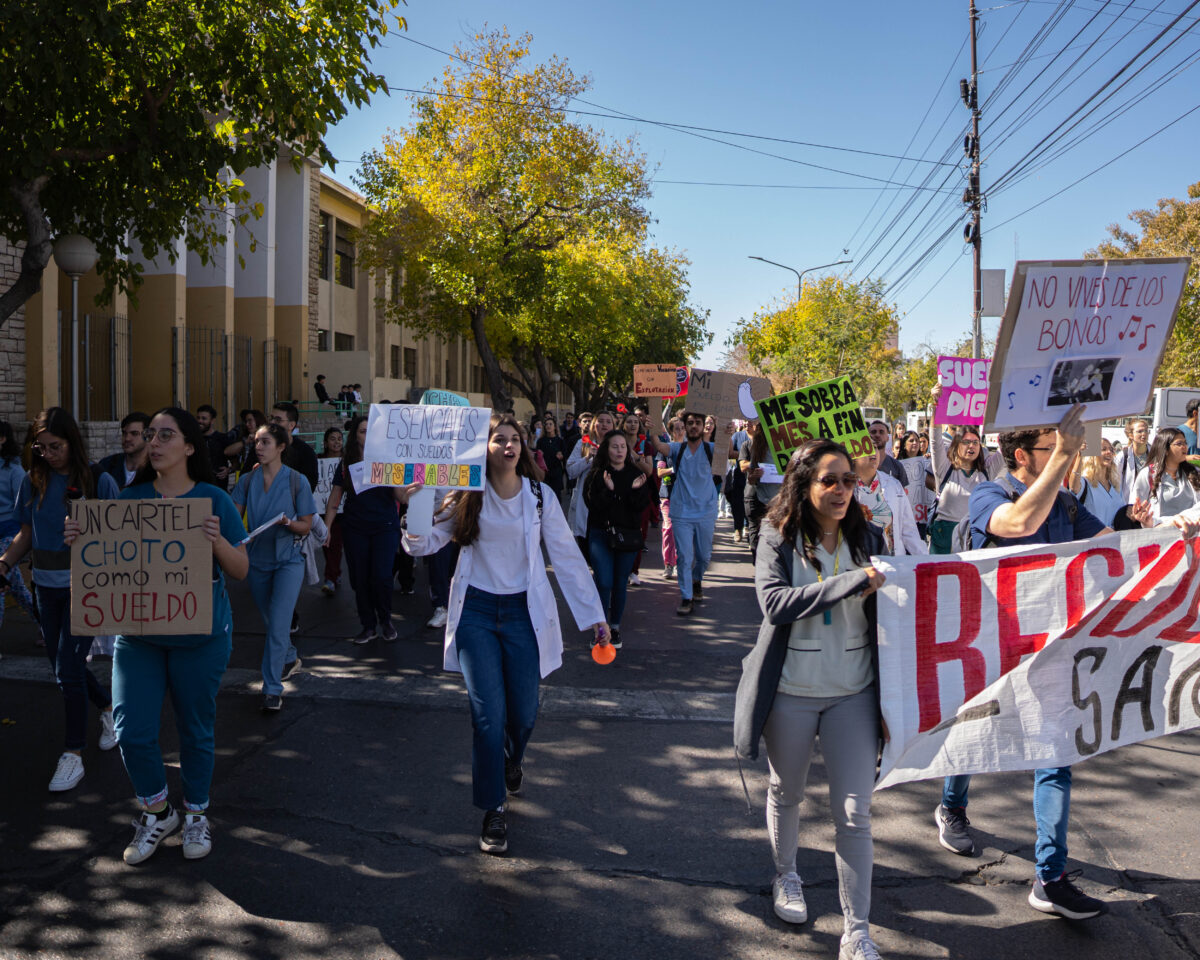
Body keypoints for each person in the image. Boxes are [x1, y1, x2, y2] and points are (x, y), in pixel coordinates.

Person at [936, 405, 1124, 920]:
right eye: (1052, 446)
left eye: (1065, 445)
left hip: (1051, 649)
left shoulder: (1066, 503)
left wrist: (1165, 534)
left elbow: (1112, 546)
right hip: (992, 648)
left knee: (1054, 752)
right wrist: (1065, 458)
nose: (1068, 451)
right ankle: (952, 806)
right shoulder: (989, 494)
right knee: (973, 736)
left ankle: (1051, 876)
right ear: (1022, 456)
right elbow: (1018, 524)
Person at [403, 413, 607, 855]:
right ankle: (493, 808)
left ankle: (513, 760)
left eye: (516, 439)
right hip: (476, 611)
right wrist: (418, 502)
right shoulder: (465, 497)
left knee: (524, 714)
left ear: (523, 448)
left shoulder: (539, 496)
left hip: (522, 615)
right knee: (487, 716)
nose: (509, 446)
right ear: (486, 447)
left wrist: (595, 618)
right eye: (500, 439)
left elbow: (567, 558)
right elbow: (421, 544)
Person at [66, 408, 248, 863]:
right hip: (140, 636)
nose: (154, 441)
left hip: (200, 638)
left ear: (189, 446)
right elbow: (104, 567)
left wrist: (217, 542)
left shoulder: (214, 500)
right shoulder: (129, 500)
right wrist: (82, 541)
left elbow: (241, 570)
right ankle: (157, 810)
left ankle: (196, 814)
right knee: (132, 731)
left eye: (166, 434)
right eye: (150, 434)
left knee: (195, 729)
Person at [733, 439, 889, 960]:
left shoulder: (867, 535)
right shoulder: (776, 537)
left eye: (849, 480)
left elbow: (901, 592)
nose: (842, 489)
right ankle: (788, 876)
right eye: (830, 480)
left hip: (854, 693)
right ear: (805, 484)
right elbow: (774, 604)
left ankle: (857, 931)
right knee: (788, 792)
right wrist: (850, 584)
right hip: (792, 693)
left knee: (855, 813)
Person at [0, 408, 120, 792]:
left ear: (73, 442)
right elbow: (26, 534)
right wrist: (4, 564)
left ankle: (72, 754)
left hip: (87, 589)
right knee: (60, 666)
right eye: (41, 447)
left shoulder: (98, 480)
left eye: (56, 446)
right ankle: (106, 707)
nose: (48, 453)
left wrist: (90, 536)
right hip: (45, 588)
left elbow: (123, 541)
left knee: (68, 669)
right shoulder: (33, 480)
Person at [231, 423, 316, 711]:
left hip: (288, 562)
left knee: (279, 624)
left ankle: (271, 688)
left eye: (265, 442)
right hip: (256, 561)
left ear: (281, 447)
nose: (258, 446)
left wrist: (289, 524)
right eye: (256, 441)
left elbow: (305, 526)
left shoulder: (297, 481)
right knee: (271, 623)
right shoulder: (246, 481)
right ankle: (290, 655)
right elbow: (233, 518)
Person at [322, 416, 407, 643]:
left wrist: (416, 486)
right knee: (360, 579)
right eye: (362, 431)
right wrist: (327, 528)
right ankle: (367, 625)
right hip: (355, 528)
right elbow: (334, 499)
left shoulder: (389, 460)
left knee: (381, 576)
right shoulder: (346, 463)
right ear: (355, 436)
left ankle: (386, 619)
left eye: (371, 431)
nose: (367, 435)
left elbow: (401, 495)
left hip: (385, 527)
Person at [647, 407, 725, 615]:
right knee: (684, 556)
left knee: (704, 556)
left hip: (706, 511)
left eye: (697, 423)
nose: (693, 426)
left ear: (702, 427)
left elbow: (730, 451)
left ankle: (697, 579)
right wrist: (652, 428)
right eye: (689, 423)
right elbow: (658, 445)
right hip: (681, 511)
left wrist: (727, 430)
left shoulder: (711, 449)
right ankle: (686, 597)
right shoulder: (677, 448)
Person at [584, 430, 652, 649]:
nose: (619, 450)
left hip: (627, 538)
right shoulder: (597, 474)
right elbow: (593, 505)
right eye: (615, 446)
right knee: (603, 582)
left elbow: (641, 507)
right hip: (601, 534)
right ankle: (601, 629)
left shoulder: (635, 474)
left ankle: (615, 627)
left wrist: (631, 491)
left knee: (619, 583)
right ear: (607, 449)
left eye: (623, 446)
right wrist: (610, 492)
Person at [927, 386, 989, 554]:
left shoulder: (986, 470)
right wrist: (936, 404)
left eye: (975, 442)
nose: (971, 446)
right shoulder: (944, 467)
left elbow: (1005, 448)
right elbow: (934, 438)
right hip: (943, 537)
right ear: (955, 445)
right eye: (966, 442)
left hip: (974, 535)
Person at [0, 420, 38, 637]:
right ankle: (45, 624)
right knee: (16, 587)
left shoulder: (14, 470)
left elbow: (22, 505)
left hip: (9, 532)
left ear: (3, 439)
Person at [854, 447, 926, 556]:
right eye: (866, 446)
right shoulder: (844, 487)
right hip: (859, 564)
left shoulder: (894, 484)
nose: (873, 452)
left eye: (875, 447)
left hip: (891, 566)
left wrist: (925, 560)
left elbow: (909, 531)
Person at [566, 411, 615, 556]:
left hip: (611, 503)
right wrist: (588, 458)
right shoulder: (583, 443)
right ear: (594, 425)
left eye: (608, 421)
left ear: (614, 425)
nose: (604, 424)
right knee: (586, 549)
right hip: (586, 503)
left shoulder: (618, 444)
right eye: (601, 420)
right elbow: (571, 471)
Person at [1130, 426, 1200, 524]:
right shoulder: (1148, 474)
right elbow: (1135, 507)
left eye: (1185, 443)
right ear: (1165, 449)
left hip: (1191, 535)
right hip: (1161, 535)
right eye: (1179, 444)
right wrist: (1141, 516)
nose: (1185, 447)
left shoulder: (1194, 472)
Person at [739, 420, 784, 562]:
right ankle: (759, 564)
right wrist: (754, 475)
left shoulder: (786, 448)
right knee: (757, 533)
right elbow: (750, 479)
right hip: (760, 498)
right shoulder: (758, 449)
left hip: (779, 500)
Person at [620, 411, 656, 585]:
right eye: (629, 422)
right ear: (623, 425)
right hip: (620, 493)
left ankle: (634, 570)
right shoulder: (617, 442)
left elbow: (649, 471)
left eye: (635, 422)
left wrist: (634, 456)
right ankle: (621, 569)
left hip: (641, 495)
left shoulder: (645, 445)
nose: (633, 425)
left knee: (639, 533)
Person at [656, 417, 686, 580]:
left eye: (682, 428)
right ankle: (668, 564)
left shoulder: (691, 449)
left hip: (685, 497)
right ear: (671, 431)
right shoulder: (664, 449)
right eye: (676, 429)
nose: (680, 431)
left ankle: (679, 563)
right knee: (669, 528)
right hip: (667, 495)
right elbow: (660, 472)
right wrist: (673, 469)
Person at [1075, 439, 1126, 528]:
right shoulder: (1085, 482)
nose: (1109, 452)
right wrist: (1080, 456)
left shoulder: (1115, 485)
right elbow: (1073, 487)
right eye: (1103, 449)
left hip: (1115, 539)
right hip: (1094, 539)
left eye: (1111, 449)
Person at [270, 402, 319, 491]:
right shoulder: (259, 448)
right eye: (271, 418)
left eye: (278, 420)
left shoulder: (306, 453)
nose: (272, 422)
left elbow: (309, 486)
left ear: (291, 425)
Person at [97, 412, 151, 491]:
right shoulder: (107, 465)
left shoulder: (156, 468)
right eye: (124, 433)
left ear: (148, 436)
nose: (127, 439)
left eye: (134, 433)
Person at [897, 430, 933, 539]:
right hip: (903, 517)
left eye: (917, 440)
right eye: (911, 440)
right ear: (903, 445)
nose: (915, 443)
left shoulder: (926, 461)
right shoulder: (896, 465)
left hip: (920, 517)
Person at [196, 404, 232, 487]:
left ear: (212, 421)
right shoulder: (193, 439)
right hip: (198, 485)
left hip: (218, 485)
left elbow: (235, 462)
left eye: (204, 418)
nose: (200, 421)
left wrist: (228, 470)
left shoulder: (222, 438)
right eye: (198, 418)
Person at [867, 420, 909, 490]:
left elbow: (903, 493)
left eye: (881, 432)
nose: (877, 435)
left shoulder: (897, 466)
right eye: (873, 432)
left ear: (887, 437)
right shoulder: (860, 465)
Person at [225, 409, 266, 478]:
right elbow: (227, 451)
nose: (247, 424)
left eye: (250, 421)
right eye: (246, 421)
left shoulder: (267, 439)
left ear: (258, 420)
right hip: (245, 475)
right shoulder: (245, 438)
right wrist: (246, 442)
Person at [1115, 418, 1150, 499]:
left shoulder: (1155, 454)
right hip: (1129, 505)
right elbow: (1115, 483)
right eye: (1140, 431)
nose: (1144, 434)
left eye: (1146, 431)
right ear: (1130, 435)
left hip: (1149, 505)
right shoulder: (1123, 456)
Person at [535, 417, 566, 501]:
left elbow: (565, 456)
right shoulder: (541, 441)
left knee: (556, 496)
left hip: (556, 472)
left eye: (550, 424)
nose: (548, 426)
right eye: (546, 424)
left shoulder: (559, 441)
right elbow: (537, 457)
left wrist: (561, 456)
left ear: (555, 427)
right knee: (545, 496)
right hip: (545, 472)